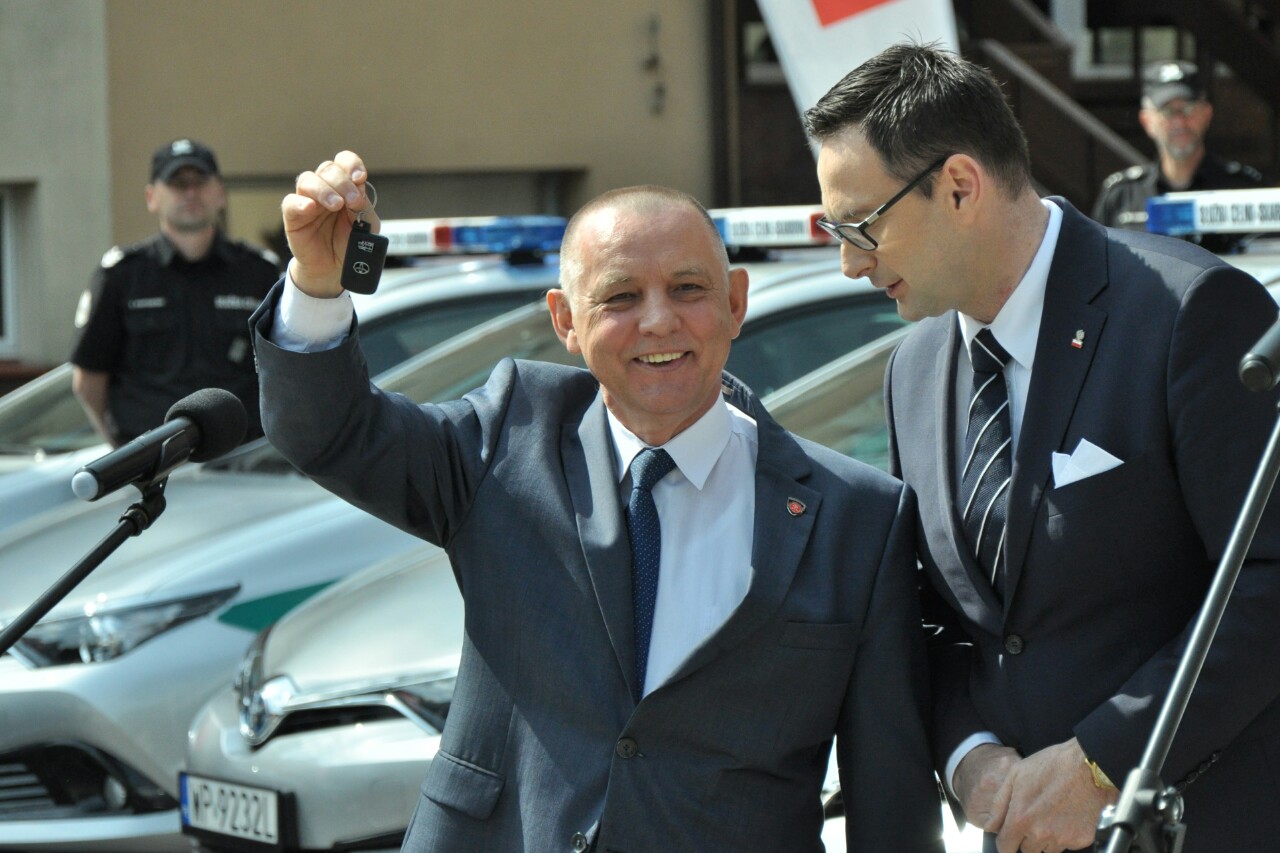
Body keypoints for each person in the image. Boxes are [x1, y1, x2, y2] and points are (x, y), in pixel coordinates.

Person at [249, 151, 944, 851]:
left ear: (736, 302)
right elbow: (331, 430)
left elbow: (891, 796)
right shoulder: (507, 439)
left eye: (688, 288)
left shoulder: (856, 517)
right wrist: (317, 284)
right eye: (620, 298)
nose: (658, 321)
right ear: (566, 320)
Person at [804, 42, 1280, 853]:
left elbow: (1266, 579)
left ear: (960, 186)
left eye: (861, 226)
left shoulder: (1186, 312)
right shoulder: (912, 370)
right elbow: (930, 612)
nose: (850, 262)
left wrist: (1103, 763)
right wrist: (968, 757)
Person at [70, 138, 278, 446]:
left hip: (241, 460)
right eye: (177, 183)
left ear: (220, 193)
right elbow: (88, 380)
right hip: (152, 459)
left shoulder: (259, 272)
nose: (190, 192)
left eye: (200, 181)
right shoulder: (121, 275)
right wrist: (122, 453)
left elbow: (285, 372)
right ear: (152, 197)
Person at [1092, 59, 1267, 251]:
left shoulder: (1243, 189)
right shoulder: (1122, 196)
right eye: (1167, 111)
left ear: (1206, 114)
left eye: (1188, 109)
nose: (1180, 122)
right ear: (1147, 121)